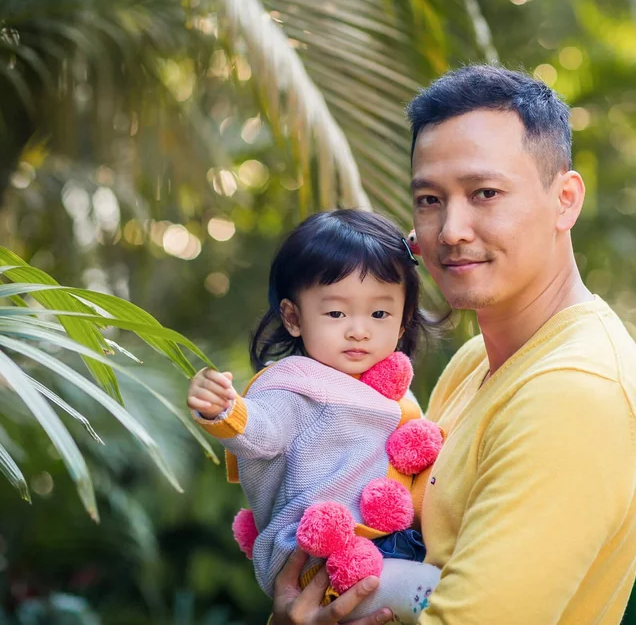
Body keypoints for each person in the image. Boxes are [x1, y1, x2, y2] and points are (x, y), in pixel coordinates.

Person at [269, 64, 636, 625]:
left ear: (566, 200)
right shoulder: (475, 360)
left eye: (485, 193)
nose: (451, 229)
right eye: (430, 200)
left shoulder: (576, 392)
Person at [186, 209, 444, 624]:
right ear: (292, 317)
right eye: (336, 313)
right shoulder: (294, 386)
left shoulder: (390, 392)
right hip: (322, 564)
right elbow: (260, 431)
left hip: (389, 544)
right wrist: (224, 410)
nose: (358, 330)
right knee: (445, 596)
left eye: (379, 314)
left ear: (402, 322)